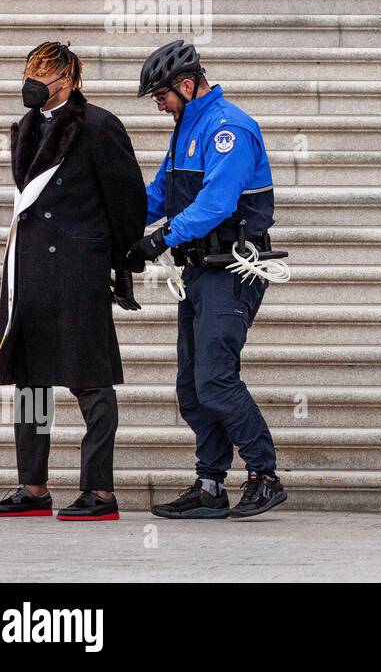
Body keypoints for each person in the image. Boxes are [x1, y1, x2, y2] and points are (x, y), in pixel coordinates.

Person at [0, 43, 146, 521]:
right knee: (30, 383)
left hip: (76, 271)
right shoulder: (28, 127)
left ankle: (100, 491)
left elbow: (126, 201)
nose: (34, 81)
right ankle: (33, 486)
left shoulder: (98, 124)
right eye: (30, 71)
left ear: (70, 79)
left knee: (91, 384)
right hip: (29, 271)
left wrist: (124, 267)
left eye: (45, 73)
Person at [127, 41, 286, 519]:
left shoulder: (228, 129)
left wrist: (158, 241)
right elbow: (159, 193)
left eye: (161, 94)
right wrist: (116, 221)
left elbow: (216, 204)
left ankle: (263, 475)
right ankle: (209, 484)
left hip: (231, 269)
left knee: (215, 379)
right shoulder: (186, 128)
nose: (158, 103)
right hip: (199, 271)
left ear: (188, 83)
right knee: (192, 386)